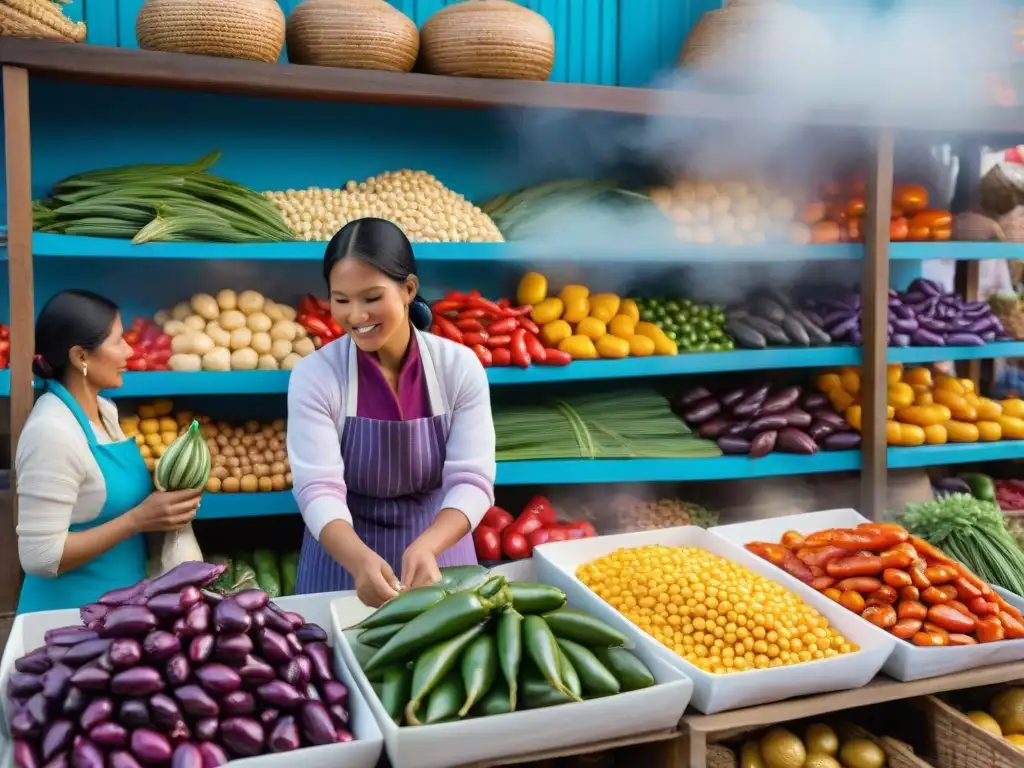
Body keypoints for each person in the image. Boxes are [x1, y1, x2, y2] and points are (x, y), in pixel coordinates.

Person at [287, 218, 496, 607]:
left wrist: (430, 546)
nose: (356, 316)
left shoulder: (458, 367)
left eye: (371, 298)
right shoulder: (315, 375)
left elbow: (472, 479)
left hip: (440, 545)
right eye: (341, 300)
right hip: (343, 553)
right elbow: (318, 488)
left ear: (408, 289)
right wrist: (357, 559)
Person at [16, 290, 202, 613]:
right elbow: (40, 556)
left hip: (118, 614)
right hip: (69, 622)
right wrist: (139, 519)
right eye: (118, 341)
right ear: (81, 357)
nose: (129, 350)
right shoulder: (51, 431)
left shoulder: (105, 411)